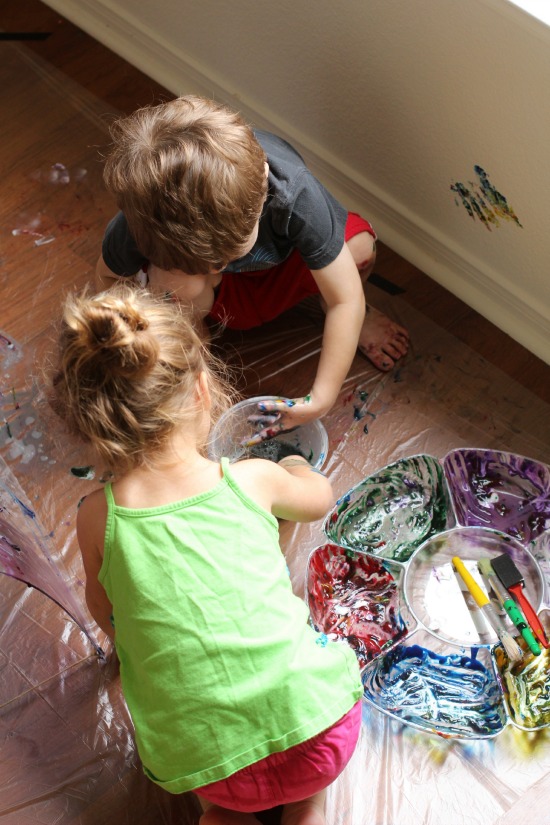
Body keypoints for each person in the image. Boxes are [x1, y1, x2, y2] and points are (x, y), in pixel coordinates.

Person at [50, 285, 363, 825]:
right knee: (310, 788)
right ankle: (308, 806)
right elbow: (321, 500)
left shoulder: (97, 516)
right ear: (202, 390)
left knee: (221, 801)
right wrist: (295, 469)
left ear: (93, 429)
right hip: (318, 730)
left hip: (204, 761)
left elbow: (106, 612)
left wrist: (132, 646)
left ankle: (225, 816)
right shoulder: (252, 479)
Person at [95, 95, 409, 440]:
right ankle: (193, 344)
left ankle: (344, 315)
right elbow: (109, 279)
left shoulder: (294, 194)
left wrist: (320, 400)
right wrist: (138, 336)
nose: (218, 264)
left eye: (229, 253)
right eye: (202, 261)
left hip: (289, 267)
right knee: (175, 283)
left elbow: (345, 299)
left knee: (359, 250)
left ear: (263, 186)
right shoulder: (141, 220)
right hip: (223, 296)